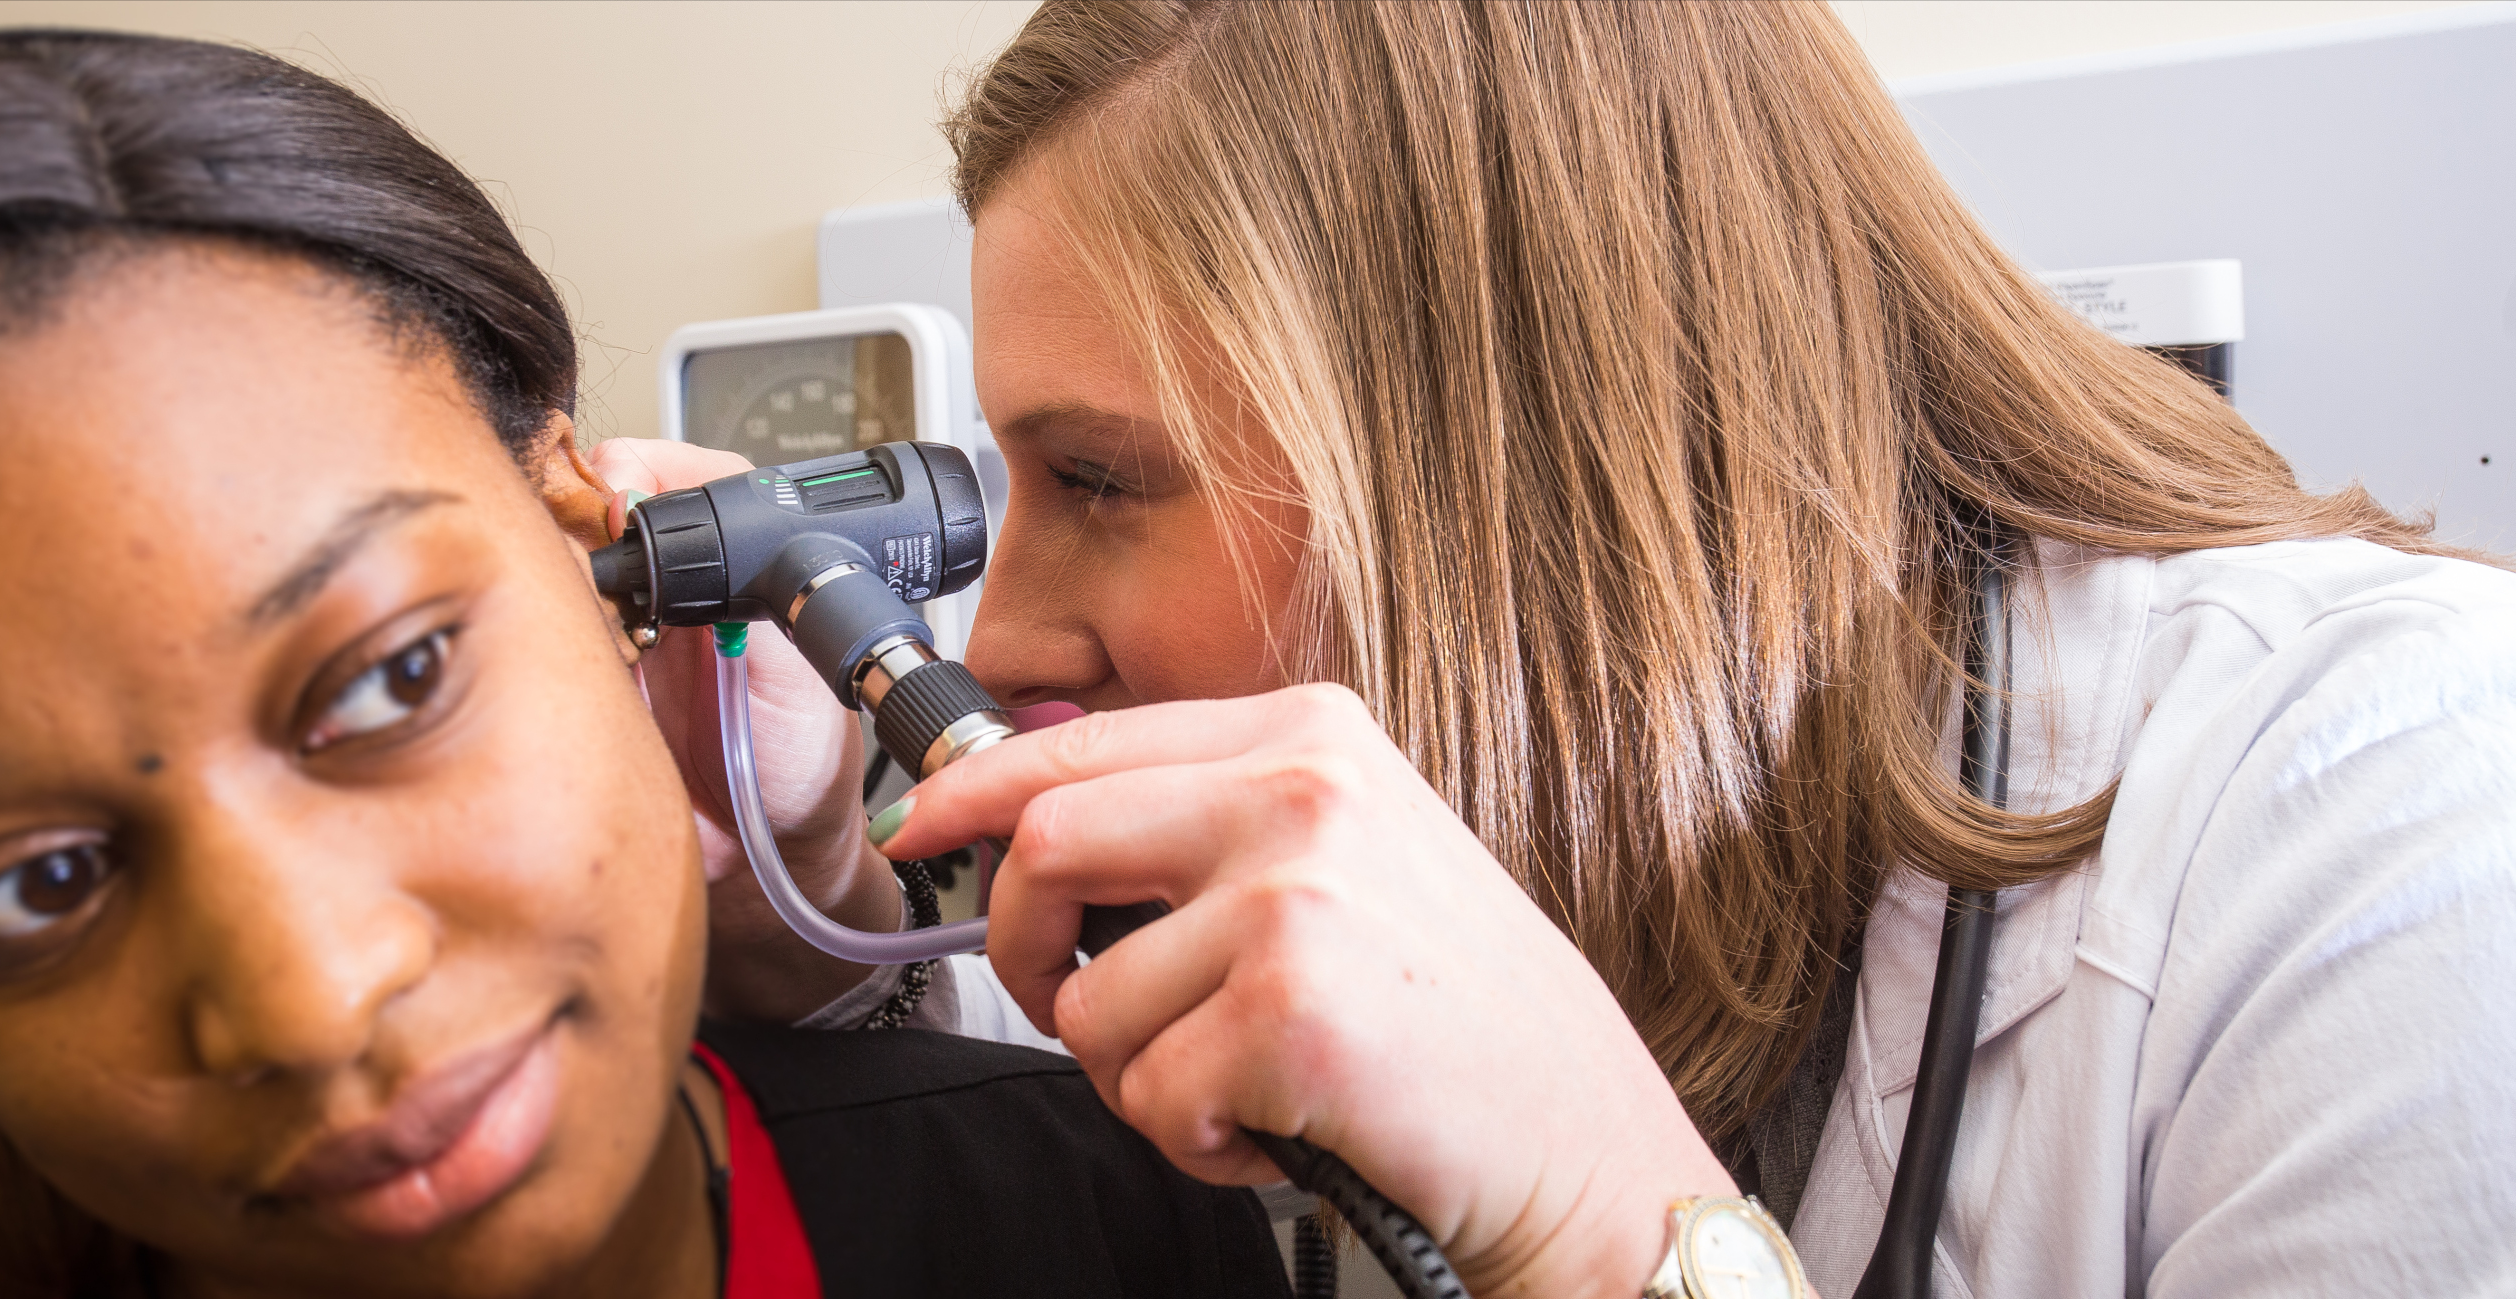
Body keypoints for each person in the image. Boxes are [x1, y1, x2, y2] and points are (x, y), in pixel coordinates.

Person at [665, 3, 2516, 1296]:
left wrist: (1618, 1236)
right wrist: (814, 888)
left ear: (1514, 465)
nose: (1004, 631)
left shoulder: (2394, 827)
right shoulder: (1485, 791)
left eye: (1096, 478)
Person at [0, 29, 1293, 1299]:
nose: (310, 1000)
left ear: (594, 536)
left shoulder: (1092, 1218)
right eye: (31, 886)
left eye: (394, 682)